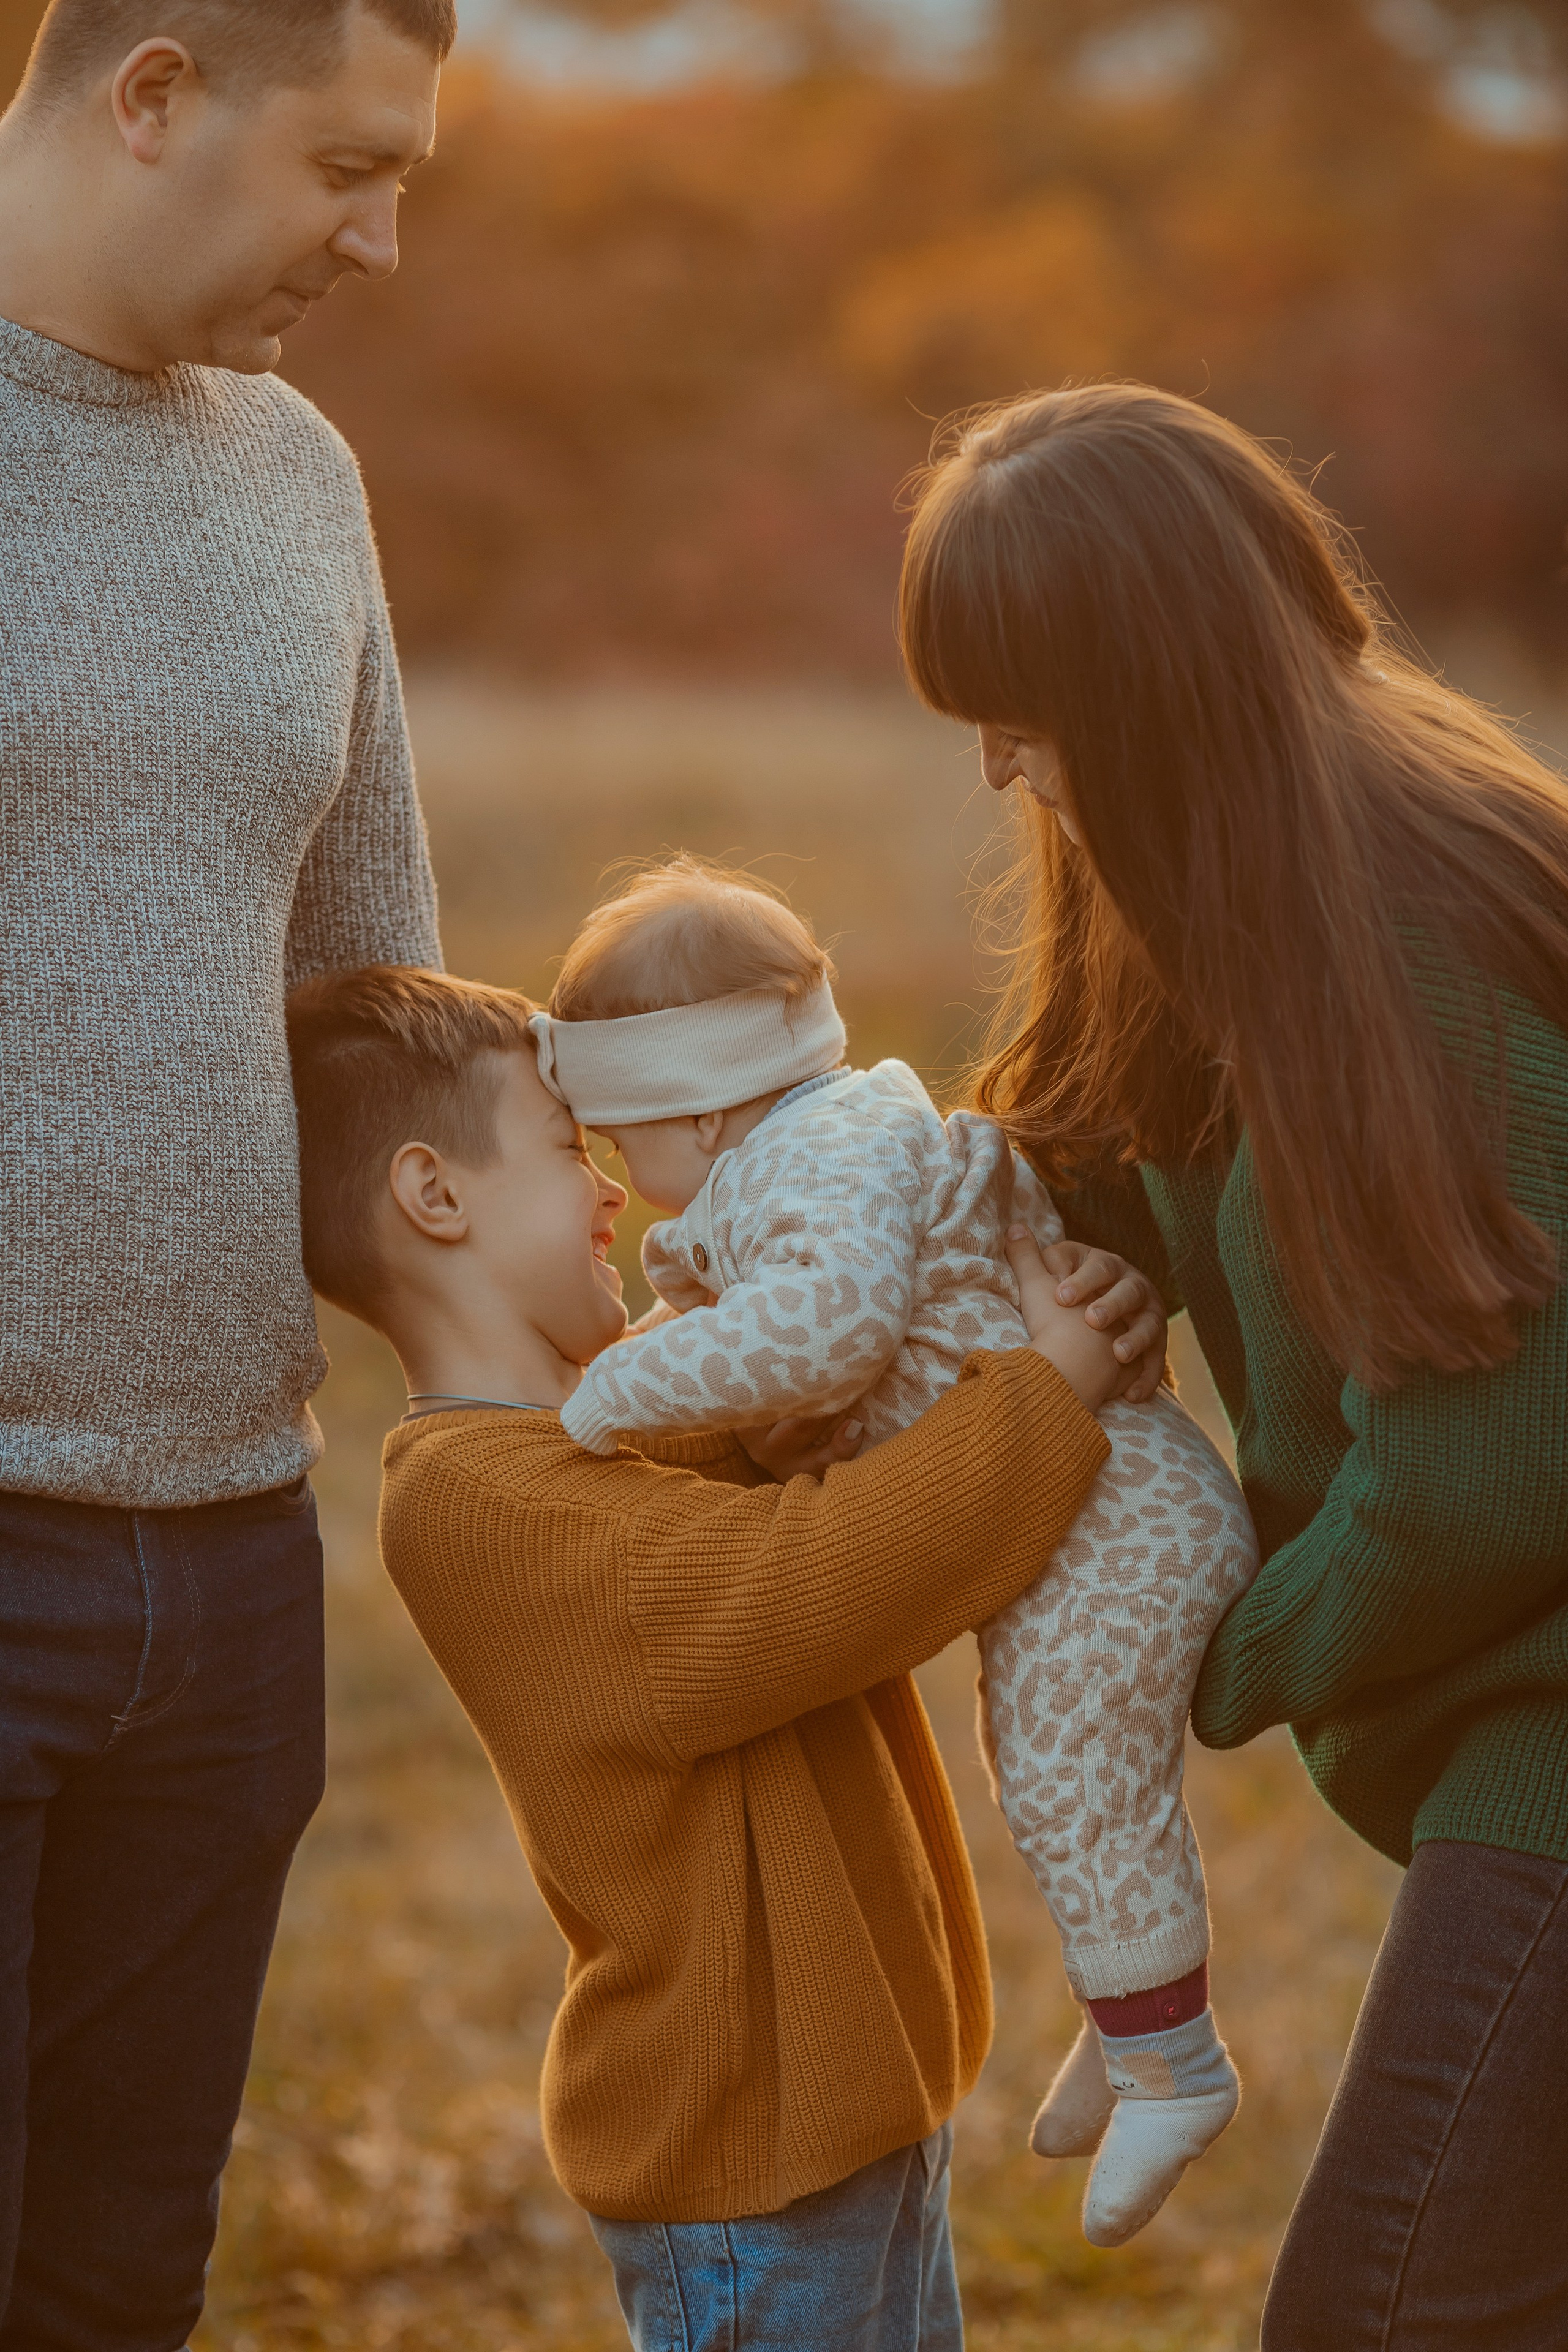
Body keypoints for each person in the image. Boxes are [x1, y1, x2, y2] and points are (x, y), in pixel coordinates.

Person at [897, 379, 1568, 2349]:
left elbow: (1488, 1465)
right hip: (1505, 1719)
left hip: (1549, 1735)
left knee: (1388, 2306)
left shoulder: (1411, 936)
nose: (996, 762)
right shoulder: (1201, 893)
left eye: (1024, 712)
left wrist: (1217, 1647)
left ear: (1155, 694)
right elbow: (1075, 1167)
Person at [284, 961, 1125, 2352]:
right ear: (435, 1195)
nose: (616, 1188)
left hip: (843, 2119)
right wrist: (1045, 1397)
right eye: (569, 1147)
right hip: (748, 2169)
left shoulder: (589, 1435)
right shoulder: (477, 1503)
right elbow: (811, 1578)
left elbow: (720, 1457)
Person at [0, 2, 451, 2342]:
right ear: (156, 93)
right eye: (348, 168)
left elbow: (382, 1011)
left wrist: (720, 1285)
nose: (380, 242)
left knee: (115, 2280)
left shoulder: (298, 477)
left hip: (231, 1573)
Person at [530, 853, 1260, 2247]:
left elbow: (830, 1328)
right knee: (1051, 1769)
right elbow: (791, 1340)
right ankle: (1131, 2008)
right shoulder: (819, 1147)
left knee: (1068, 1771)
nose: (625, 1178)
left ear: (699, 1106)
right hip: (1085, 1507)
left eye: (622, 1142)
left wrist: (613, 1390)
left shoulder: (819, 1157)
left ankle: (1175, 2067)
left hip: (1117, 1513)